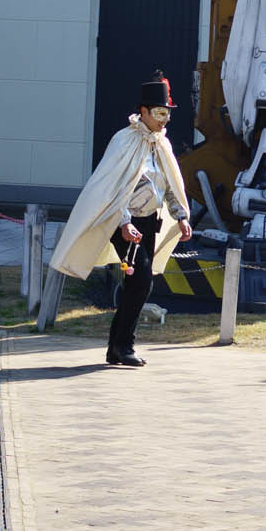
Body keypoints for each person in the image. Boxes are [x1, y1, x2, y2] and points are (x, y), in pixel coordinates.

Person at [47, 76, 192, 368]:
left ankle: (117, 347)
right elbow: (114, 188)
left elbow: (169, 185)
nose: (165, 119)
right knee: (141, 280)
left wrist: (181, 216)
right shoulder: (124, 141)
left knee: (138, 283)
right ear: (144, 111)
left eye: (168, 113)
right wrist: (124, 223)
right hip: (123, 223)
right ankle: (124, 345)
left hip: (149, 222)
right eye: (159, 113)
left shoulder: (161, 145)